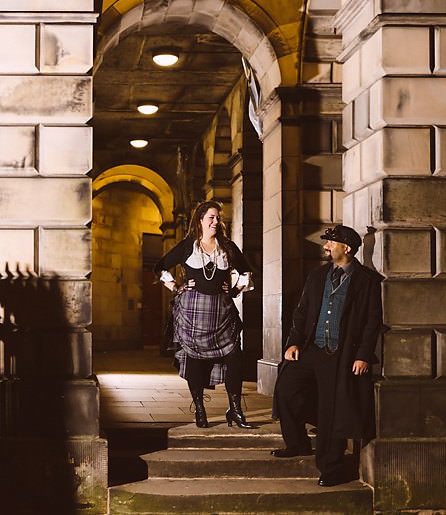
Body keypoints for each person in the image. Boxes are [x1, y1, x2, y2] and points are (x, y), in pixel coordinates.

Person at [271, 224, 384, 487]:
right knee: (287, 388)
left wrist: (363, 356)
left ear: (347, 247)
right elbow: (302, 313)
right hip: (312, 349)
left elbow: (371, 321)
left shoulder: (367, 280)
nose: (326, 246)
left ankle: (331, 466)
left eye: (331, 243)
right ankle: (297, 443)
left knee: (332, 410)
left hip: (341, 355)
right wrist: (293, 343)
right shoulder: (318, 275)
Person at [153, 200, 255, 429]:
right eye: (211, 217)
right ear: (200, 220)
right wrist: (176, 287)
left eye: (218, 218)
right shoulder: (188, 246)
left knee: (234, 359)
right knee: (195, 362)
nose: (216, 222)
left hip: (222, 312)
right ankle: (200, 409)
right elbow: (161, 266)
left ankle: (235, 410)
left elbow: (246, 270)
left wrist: (237, 289)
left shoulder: (227, 247)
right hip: (193, 312)